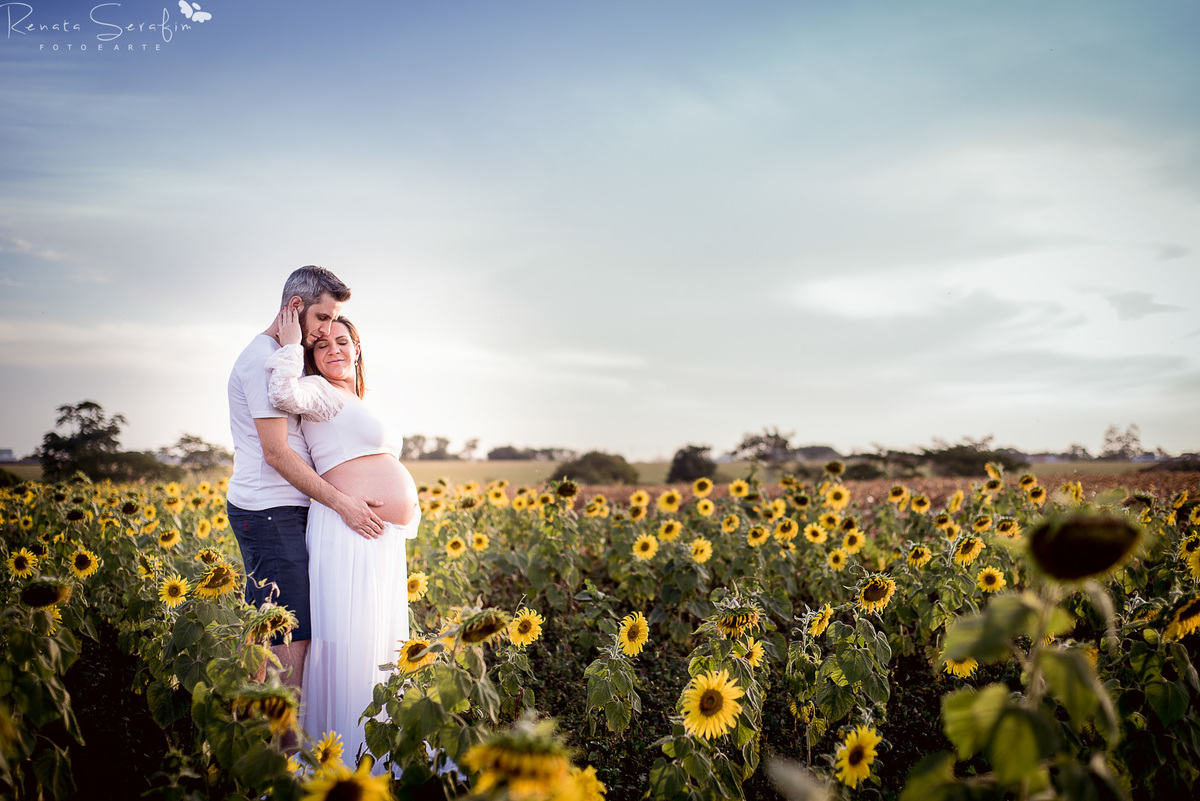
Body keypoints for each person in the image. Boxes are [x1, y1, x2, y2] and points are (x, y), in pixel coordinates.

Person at [265, 307, 420, 767]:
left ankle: (376, 746)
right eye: (321, 344)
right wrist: (292, 345)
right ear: (311, 355)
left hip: (380, 537)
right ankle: (340, 753)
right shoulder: (316, 390)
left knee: (377, 639)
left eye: (341, 342)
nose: (333, 349)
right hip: (347, 527)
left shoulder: (357, 400)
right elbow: (281, 392)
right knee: (349, 637)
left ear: (357, 349)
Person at [226, 266, 387, 701]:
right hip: (269, 511)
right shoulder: (262, 359)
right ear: (295, 307)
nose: (327, 330)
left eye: (334, 321)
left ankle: (252, 725)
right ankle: (280, 735)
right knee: (286, 632)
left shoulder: (285, 355)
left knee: (271, 628)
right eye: (322, 318)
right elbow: (277, 453)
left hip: (286, 510)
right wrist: (343, 503)